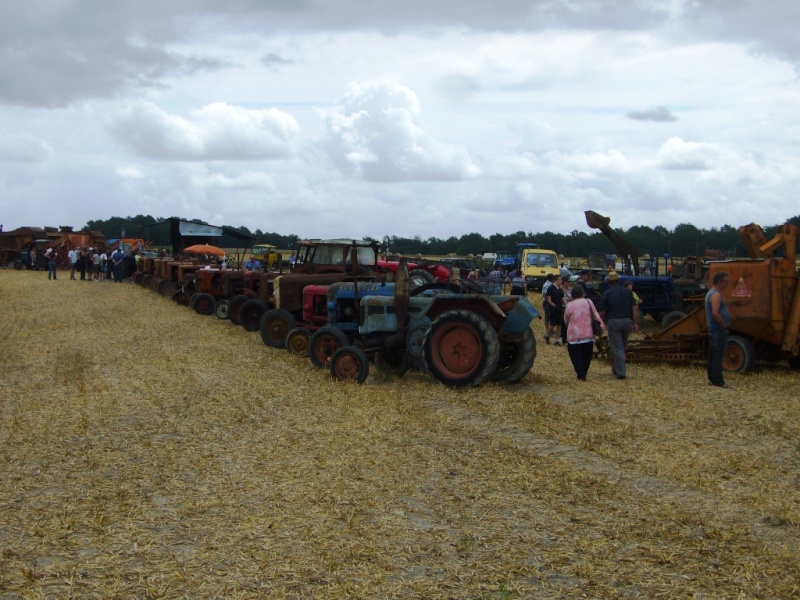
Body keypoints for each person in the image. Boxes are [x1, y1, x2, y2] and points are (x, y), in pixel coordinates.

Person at [598, 271, 638, 379]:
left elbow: (602, 311)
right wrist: (635, 323)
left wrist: (599, 323)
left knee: (617, 347)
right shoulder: (628, 292)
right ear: (619, 281)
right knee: (622, 346)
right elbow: (634, 308)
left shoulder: (607, 293)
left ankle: (621, 373)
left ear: (609, 282)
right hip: (627, 322)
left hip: (614, 322)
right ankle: (615, 368)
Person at [564, 285, 604, 380]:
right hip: (588, 334)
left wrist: (568, 327)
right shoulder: (588, 302)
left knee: (576, 357)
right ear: (582, 293)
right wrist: (601, 326)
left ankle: (580, 374)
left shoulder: (569, 305)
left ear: (572, 294)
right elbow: (596, 315)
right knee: (587, 356)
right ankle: (584, 372)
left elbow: (566, 320)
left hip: (574, 335)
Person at [705, 271, 731, 388]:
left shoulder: (710, 293)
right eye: (726, 282)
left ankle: (712, 378)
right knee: (718, 355)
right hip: (718, 329)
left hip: (713, 329)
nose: (727, 284)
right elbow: (715, 313)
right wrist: (724, 325)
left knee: (713, 354)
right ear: (720, 282)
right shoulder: (715, 295)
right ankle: (718, 380)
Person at [545, 275, 566, 345]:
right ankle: (547, 335)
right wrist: (554, 305)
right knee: (553, 323)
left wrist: (567, 305)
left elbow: (563, 299)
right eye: (561, 279)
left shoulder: (560, 290)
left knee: (559, 324)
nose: (562, 281)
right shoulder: (550, 288)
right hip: (553, 309)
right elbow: (548, 299)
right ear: (557, 279)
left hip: (560, 309)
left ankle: (556, 340)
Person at [541, 273, 555, 339]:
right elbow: (545, 294)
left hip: (548, 302)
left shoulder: (549, 284)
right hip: (547, 302)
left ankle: (549, 330)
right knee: (547, 317)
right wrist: (549, 302)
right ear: (552, 278)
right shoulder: (547, 285)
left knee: (550, 316)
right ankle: (547, 331)